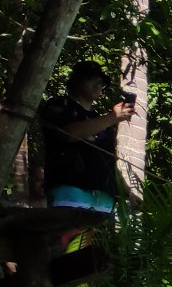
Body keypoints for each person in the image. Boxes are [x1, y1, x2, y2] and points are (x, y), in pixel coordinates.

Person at [39, 59, 132, 211]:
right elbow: (68, 134)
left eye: (101, 82)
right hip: (70, 190)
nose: (97, 85)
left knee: (96, 236)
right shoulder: (60, 104)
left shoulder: (99, 119)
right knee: (69, 235)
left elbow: (107, 157)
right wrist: (112, 117)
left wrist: (124, 188)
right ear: (76, 81)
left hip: (103, 196)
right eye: (91, 79)